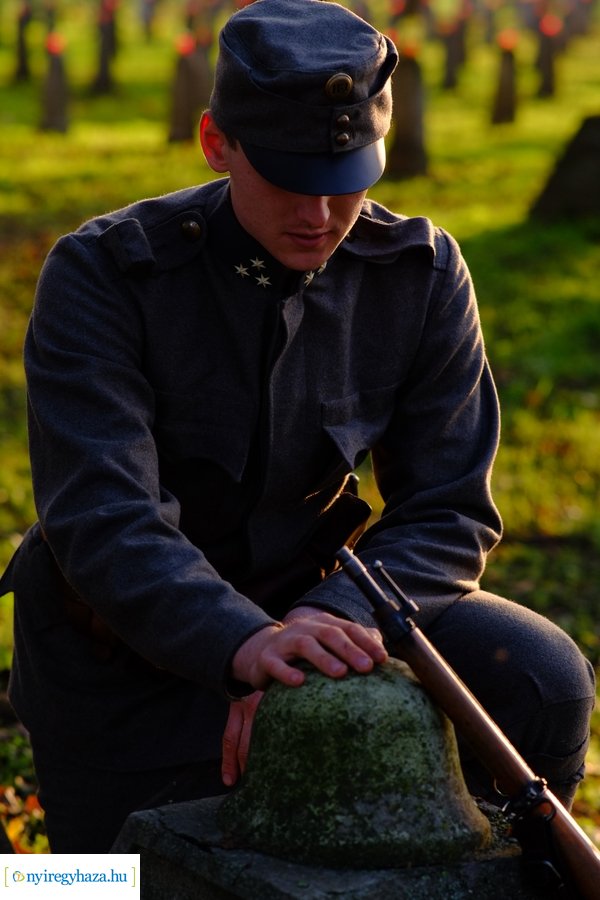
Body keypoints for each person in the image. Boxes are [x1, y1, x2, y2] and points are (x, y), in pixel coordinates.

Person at [1, 0, 595, 854]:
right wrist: (245, 644)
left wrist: (329, 623)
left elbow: (450, 507)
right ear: (216, 143)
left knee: (541, 678)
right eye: (288, 178)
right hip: (128, 653)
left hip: (327, 611)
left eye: (346, 177)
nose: (319, 213)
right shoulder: (106, 275)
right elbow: (104, 515)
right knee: (105, 884)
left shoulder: (418, 274)